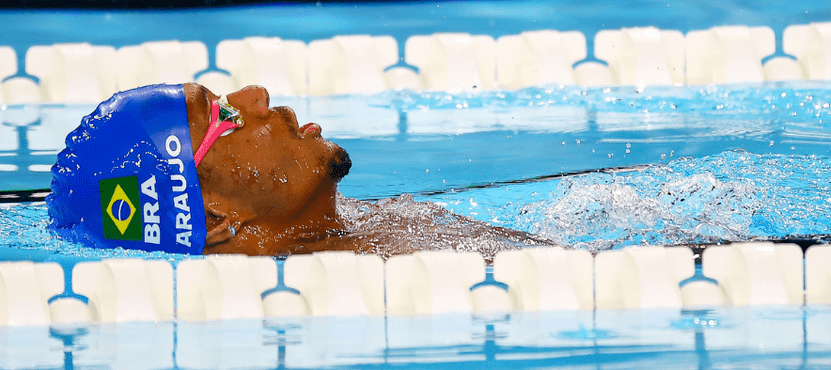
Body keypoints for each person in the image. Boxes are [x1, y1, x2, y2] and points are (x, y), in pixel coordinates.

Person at [48, 83, 547, 258]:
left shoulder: (364, 229)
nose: (256, 97)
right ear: (216, 218)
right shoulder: (374, 287)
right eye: (224, 115)